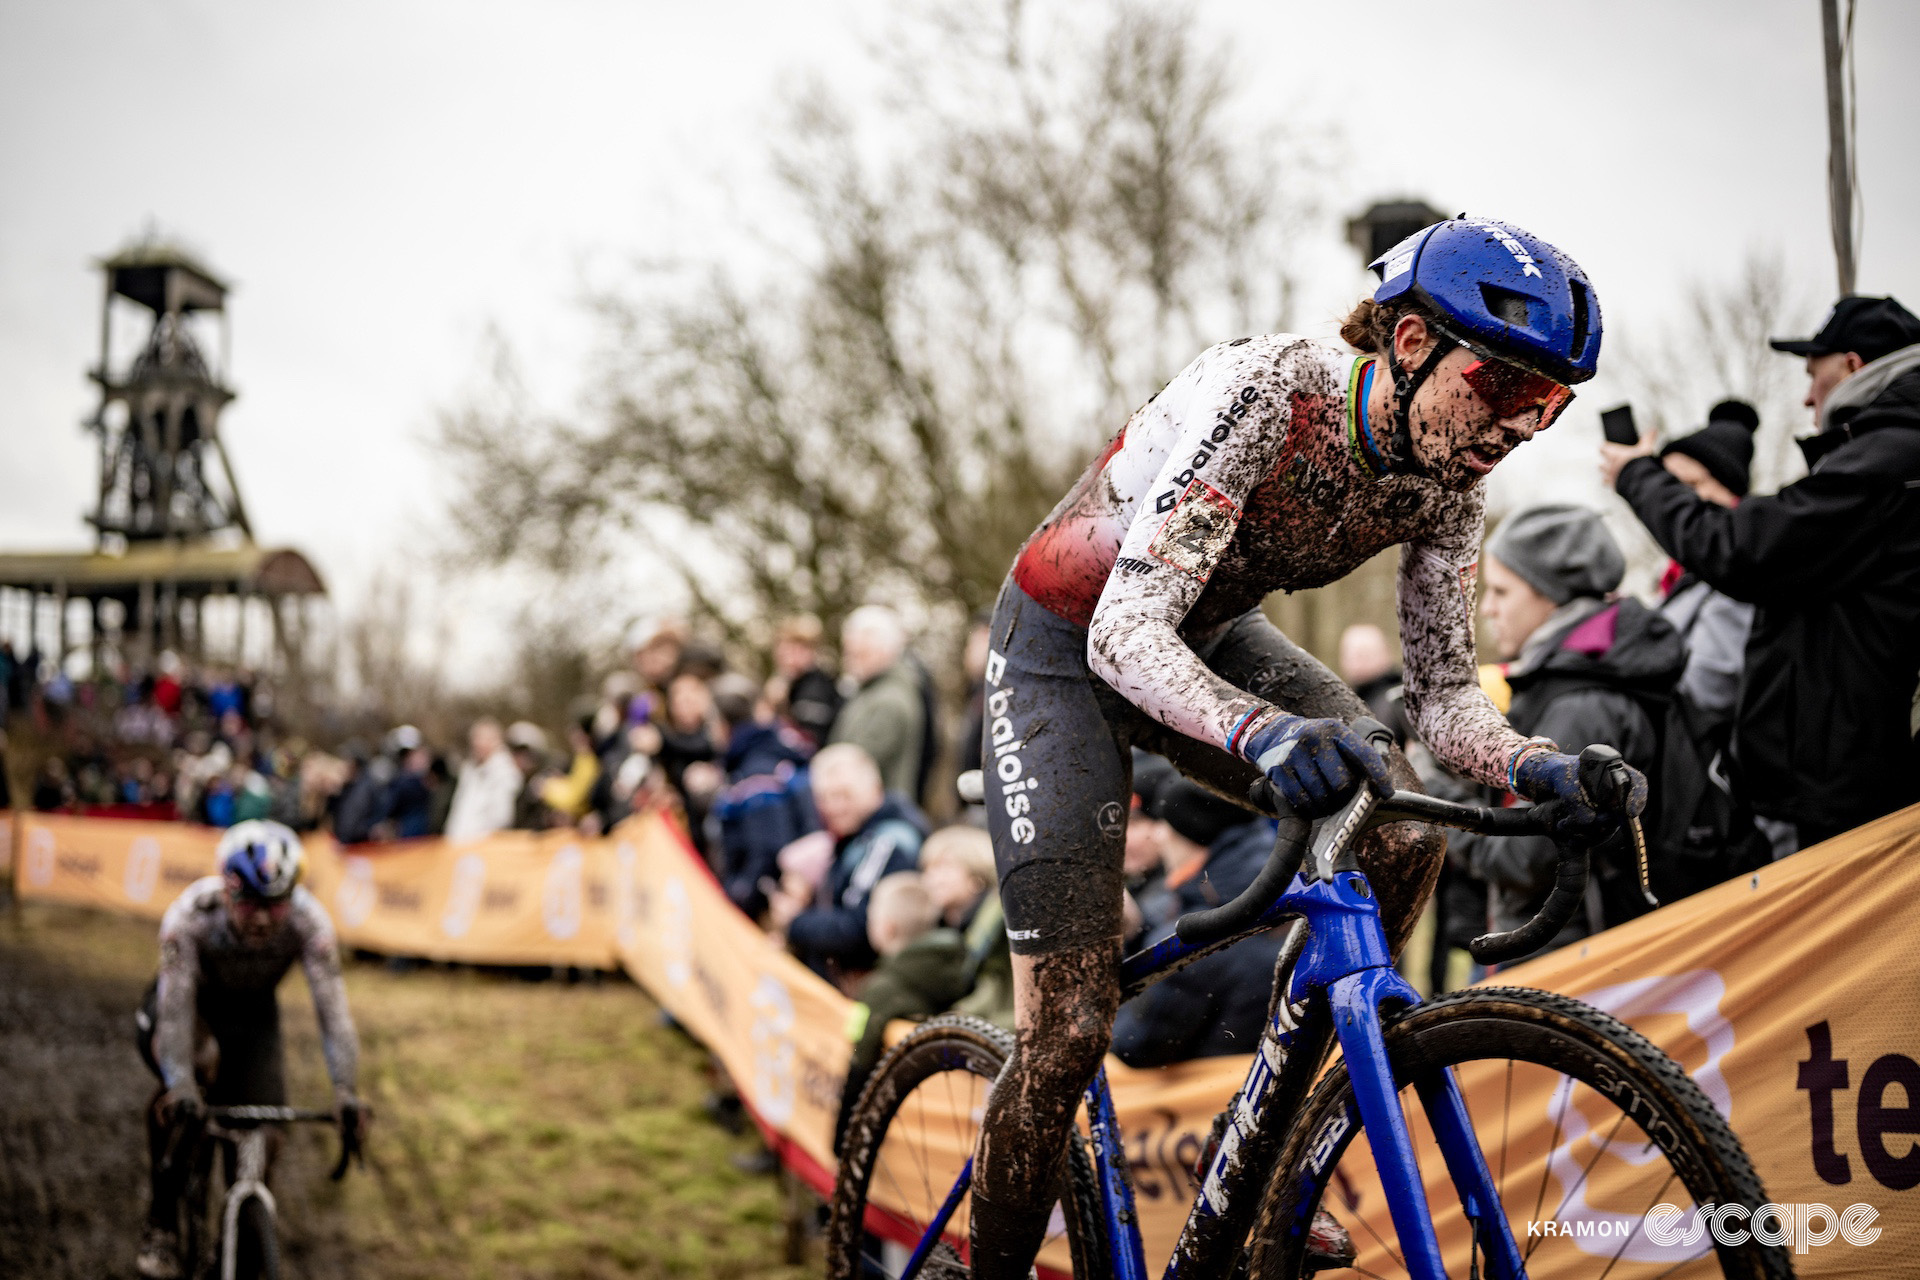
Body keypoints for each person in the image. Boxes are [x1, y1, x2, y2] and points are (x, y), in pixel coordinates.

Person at [970, 216, 1639, 1277]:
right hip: (1067, 642)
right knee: (1070, 1027)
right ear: (1411, 343)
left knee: (1402, 826)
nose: (1522, 427)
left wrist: (1535, 764)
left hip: (1209, 631)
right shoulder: (1271, 391)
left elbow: (1446, 698)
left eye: (1552, 406)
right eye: (1506, 388)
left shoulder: (1449, 484)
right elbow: (1124, 630)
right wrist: (1267, 729)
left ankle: (1269, 1158)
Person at [1602, 294, 1920, 851]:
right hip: (1835, 790)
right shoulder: (1887, 453)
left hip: (1846, 800)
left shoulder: (1892, 458)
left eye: (1811, 374)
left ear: (1851, 366)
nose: (1805, 396)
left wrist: (1638, 476)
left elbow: (1742, 549)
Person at [134, 821, 366, 1280]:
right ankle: (161, 1219)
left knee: (268, 1126)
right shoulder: (190, 918)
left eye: (275, 907)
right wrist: (180, 1083)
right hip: (191, 1008)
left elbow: (333, 1010)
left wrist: (346, 1089)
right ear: (226, 891)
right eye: (250, 904)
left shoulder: (309, 921)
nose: (262, 919)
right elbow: (176, 1012)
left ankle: (241, 1232)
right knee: (194, 1076)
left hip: (253, 1015)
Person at [1462, 505, 1681, 956]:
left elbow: (1525, 862)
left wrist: (1439, 788)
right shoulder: (1576, 678)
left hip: (1570, 960)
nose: (1487, 609)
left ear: (1550, 595)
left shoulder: (1580, 707)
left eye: (1501, 591)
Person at [1111, 780, 1283, 1066]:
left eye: (1165, 825)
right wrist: (1136, 933)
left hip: (1208, 1103)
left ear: (1190, 836)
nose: (1158, 835)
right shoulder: (1262, 887)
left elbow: (1135, 1046)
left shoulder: (1198, 935)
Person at [833, 872, 971, 1153]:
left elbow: (861, 1056)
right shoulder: (959, 967)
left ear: (888, 928)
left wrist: (842, 1143)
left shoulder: (881, 989)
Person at [772, 743, 928, 982]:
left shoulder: (887, 841)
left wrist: (795, 923)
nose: (833, 807)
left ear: (875, 789)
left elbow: (857, 928)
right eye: (823, 798)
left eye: (843, 795)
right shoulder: (855, 836)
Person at [1647, 400, 1759, 720]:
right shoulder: (1673, 574)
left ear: (1728, 493)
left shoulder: (1738, 571)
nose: (1671, 501)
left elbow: (1708, 689)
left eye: (1690, 485)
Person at [827, 606, 927, 799]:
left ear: (883, 650)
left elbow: (852, 766)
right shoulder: (870, 693)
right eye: (848, 653)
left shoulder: (889, 701)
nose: (849, 661)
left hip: (879, 812)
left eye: (859, 653)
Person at [444, 718, 523, 842]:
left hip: (484, 848)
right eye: (476, 738)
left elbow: (501, 817)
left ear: (496, 741)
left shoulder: (505, 773)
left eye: (483, 739)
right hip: (458, 845)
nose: (477, 743)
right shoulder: (469, 770)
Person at [771, 615, 843, 748]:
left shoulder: (816, 689)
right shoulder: (795, 684)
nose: (786, 657)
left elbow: (808, 743)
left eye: (794, 650)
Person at [1337, 622, 1410, 745]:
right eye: (1351, 655)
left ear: (1386, 653)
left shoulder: (1402, 700)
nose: (1357, 662)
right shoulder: (1341, 699)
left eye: (1364, 653)